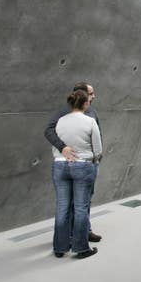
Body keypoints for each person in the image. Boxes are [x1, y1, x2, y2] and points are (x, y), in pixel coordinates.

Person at [45, 82, 103, 243]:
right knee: (72, 205)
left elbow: (98, 136)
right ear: (82, 95)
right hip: (77, 165)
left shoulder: (92, 113)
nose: (94, 96)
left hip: (86, 163)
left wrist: (96, 161)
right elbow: (48, 131)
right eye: (91, 94)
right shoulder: (63, 113)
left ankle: (82, 233)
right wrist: (62, 147)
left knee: (84, 202)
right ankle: (74, 239)